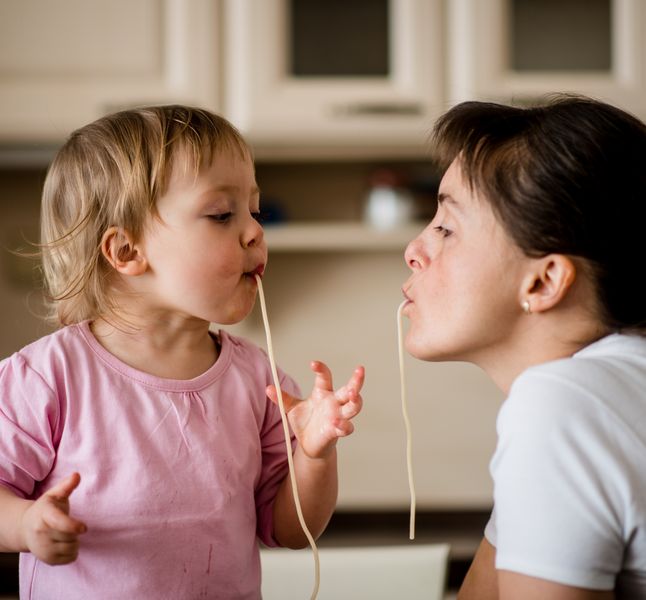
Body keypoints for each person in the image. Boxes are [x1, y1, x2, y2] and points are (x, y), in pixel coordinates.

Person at [0, 105, 364, 599]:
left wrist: (316, 456)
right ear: (126, 252)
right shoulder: (47, 376)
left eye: (254, 211)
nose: (255, 230)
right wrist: (26, 523)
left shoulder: (257, 379)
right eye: (221, 214)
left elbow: (291, 531)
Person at [401, 95, 646, 599]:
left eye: (446, 227)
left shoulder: (562, 405)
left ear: (544, 281)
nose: (414, 250)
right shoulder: (609, 387)